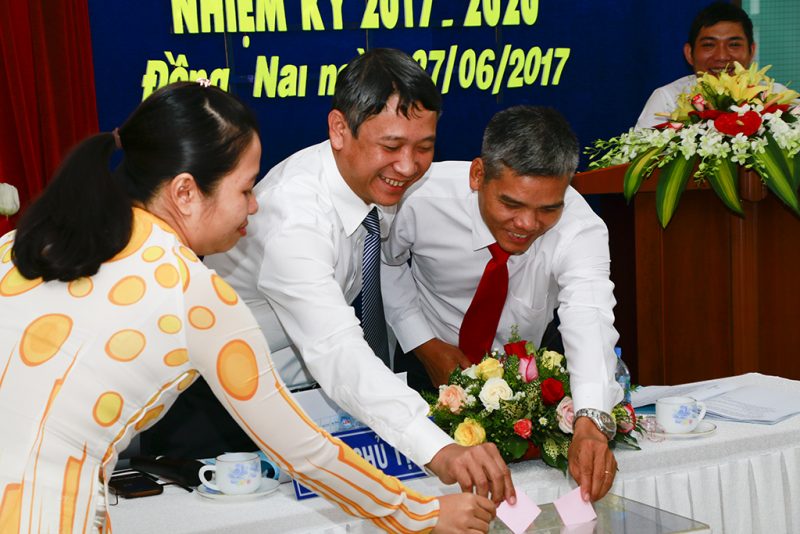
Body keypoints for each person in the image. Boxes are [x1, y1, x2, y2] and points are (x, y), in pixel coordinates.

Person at [0, 81, 496, 533]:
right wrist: (422, 514)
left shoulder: (25, 241)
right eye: (245, 189)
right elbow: (305, 453)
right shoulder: (196, 292)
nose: (255, 205)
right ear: (185, 192)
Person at [203, 48, 516, 505]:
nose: (408, 166)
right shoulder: (295, 218)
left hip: (317, 402)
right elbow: (336, 348)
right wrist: (437, 447)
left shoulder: (374, 184)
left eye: (424, 147)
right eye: (390, 147)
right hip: (227, 408)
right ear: (339, 130)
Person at [382, 106, 622, 502]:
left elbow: (589, 314)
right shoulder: (420, 197)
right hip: (430, 361)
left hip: (525, 375)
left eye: (548, 208)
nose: (527, 224)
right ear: (478, 175)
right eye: (511, 204)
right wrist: (423, 343)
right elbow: (387, 262)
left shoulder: (580, 227)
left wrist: (591, 420)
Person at [636, 2, 778, 128]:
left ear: (751, 51)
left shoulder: (774, 97)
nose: (722, 56)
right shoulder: (667, 99)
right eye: (709, 45)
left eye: (734, 44)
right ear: (689, 53)